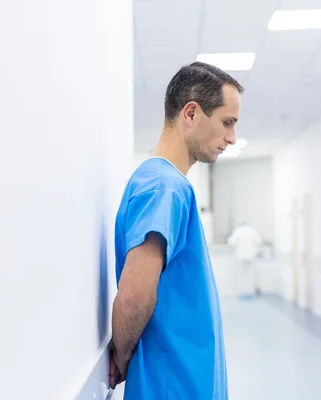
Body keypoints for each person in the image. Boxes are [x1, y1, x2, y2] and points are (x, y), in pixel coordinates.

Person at [108, 62, 243, 400]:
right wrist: (122, 355)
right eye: (227, 122)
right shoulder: (163, 187)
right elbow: (134, 294)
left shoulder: (168, 185)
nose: (232, 137)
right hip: (173, 386)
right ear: (192, 113)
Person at [227, 222, 262, 299]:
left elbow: (231, 242)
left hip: (240, 256)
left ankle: (242, 293)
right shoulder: (252, 230)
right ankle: (250, 293)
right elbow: (258, 241)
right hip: (251, 256)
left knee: (241, 275)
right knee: (250, 275)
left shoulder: (237, 230)